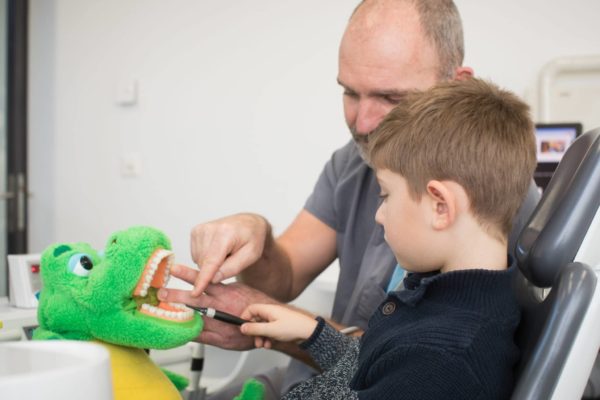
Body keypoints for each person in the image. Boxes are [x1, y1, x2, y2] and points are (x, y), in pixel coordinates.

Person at [158, 0, 540, 397]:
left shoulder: (499, 209)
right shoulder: (351, 165)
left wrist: (298, 337)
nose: (363, 122)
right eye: (350, 93)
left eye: (392, 98)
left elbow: (406, 361)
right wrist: (257, 235)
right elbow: (289, 279)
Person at [239, 77, 537, 399]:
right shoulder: (442, 303)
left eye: (385, 195)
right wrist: (312, 333)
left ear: (440, 206)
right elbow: (376, 366)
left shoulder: (442, 358)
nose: (379, 215)